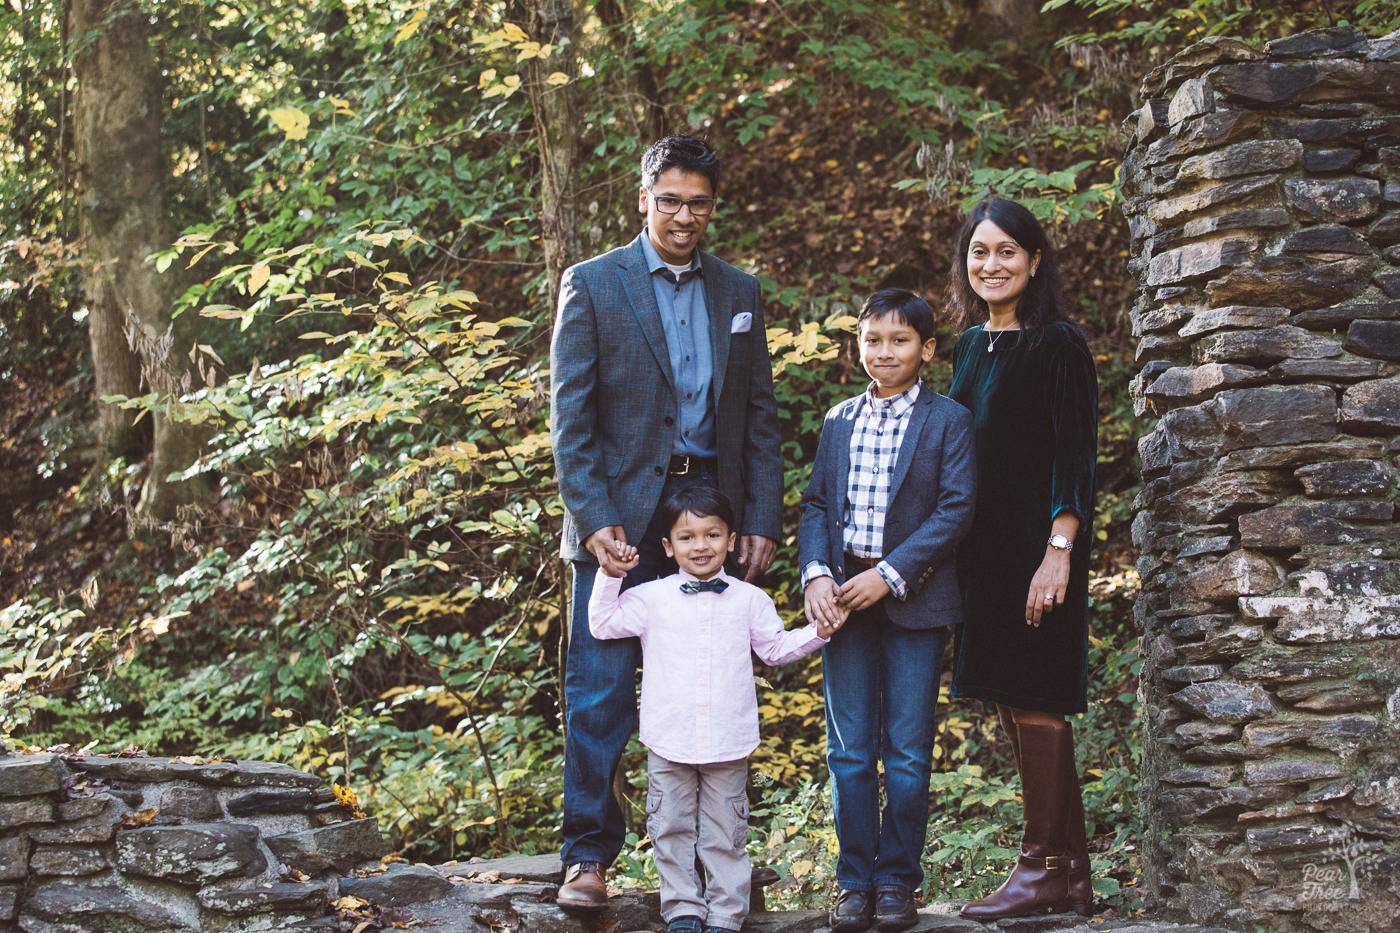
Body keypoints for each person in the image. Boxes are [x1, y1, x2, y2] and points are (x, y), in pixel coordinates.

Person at [549, 133, 784, 911]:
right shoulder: (593, 283)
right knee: (601, 691)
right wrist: (593, 520)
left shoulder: (738, 291)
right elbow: (571, 419)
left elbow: (757, 415)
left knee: (715, 695)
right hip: (617, 523)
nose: (686, 216)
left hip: (707, 520)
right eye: (672, 199)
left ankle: (721, 873)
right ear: (643, 197)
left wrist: (757, 516)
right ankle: (587, 857)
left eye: (700, 203)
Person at [798, 288, 977, 932]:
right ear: (858, 346)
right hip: (842, 603)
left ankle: (897, 880)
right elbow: (817, 504)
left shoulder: (948, 420)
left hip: (913, 603)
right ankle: (854, 882)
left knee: (905, 752)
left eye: (899, 340)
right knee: (849, 752)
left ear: (927, 350)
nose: (883, 352)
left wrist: (891, 574)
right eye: (872, 339)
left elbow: (955, 508)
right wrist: (818, 574)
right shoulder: (840, 419)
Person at [945, 198, 1098, 919]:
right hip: (985, 554)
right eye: (980, 251)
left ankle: (1039, 868)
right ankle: (1069, 873)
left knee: (1038, 693)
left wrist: (1058, 551)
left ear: (1035, 261)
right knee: (1011, 694)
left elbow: (1075, 456)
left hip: (1040, 549)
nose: (992, 264)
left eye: (1008, 251)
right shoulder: (971, 347)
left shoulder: (1058, 344)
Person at [589, 486, 829, 933]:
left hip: (728, 740)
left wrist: (821, 630)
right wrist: (609, 573)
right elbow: (601, 624)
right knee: (670, 828)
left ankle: (724, 915)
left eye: (712, 534)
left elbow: (775, 649)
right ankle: (681, 909)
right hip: (669, 739)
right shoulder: (649, 598)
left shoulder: (750, 600)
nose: (700, 546)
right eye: (687, 537)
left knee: (726, 834)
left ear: (731, 540)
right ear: (668, 546)